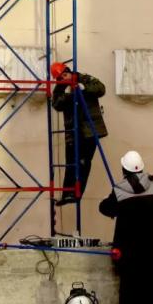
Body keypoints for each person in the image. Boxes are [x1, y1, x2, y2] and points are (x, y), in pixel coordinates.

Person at [99, 151, 153, 304]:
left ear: (123, 169)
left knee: (129, 293)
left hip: (129, 254)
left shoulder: (119, 192)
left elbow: (105, 208)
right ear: (142, 168)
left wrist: (112, 197)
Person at [51, 62, 107, 205]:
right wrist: (64, 89)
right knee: (71, 163)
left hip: (89, 131)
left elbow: (101, 89)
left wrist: (83, 87)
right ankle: (67, 194)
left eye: (65, 75)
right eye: (60, 78)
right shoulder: (62, 88)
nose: (64, 78)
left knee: (83, 162)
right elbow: (56, 104)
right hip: (73, 132)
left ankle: (76, 194)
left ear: (69, 71)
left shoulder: (85, 79)